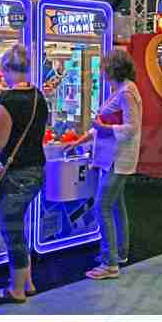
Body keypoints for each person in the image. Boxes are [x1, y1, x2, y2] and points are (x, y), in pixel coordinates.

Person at [65, 49, 142, 280]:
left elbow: (131, 128)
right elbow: (100, 126)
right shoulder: (121, 90)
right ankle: (120, 253)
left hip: (118, 158)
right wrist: (80, 140)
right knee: (116, 206)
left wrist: (104, 129)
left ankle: (110, 263)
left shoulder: (126, 92)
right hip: (113, 157)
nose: (102, 71)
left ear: (113, 69)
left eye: (105, 67)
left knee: (102, 206)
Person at [0, 44, 49, 303]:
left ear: (6, 68)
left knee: (13, 232)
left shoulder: (8, 100)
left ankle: (17, 289)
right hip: (36, 171)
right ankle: (28, 282)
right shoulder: (38, 96)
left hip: (15, 175)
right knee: (19, 227)